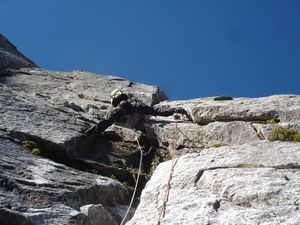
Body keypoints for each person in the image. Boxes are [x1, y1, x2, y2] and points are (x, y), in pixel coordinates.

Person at [84, 88, 191, 135]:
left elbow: (108, 120)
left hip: (136, 122)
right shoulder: (134, 102)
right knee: (153, 112)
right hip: (141, 117)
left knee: (113, 118)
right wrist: (174, 110)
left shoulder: (121, 107)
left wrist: (94, 130)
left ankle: (95, 131)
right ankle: (177, 110)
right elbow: (156, 111)